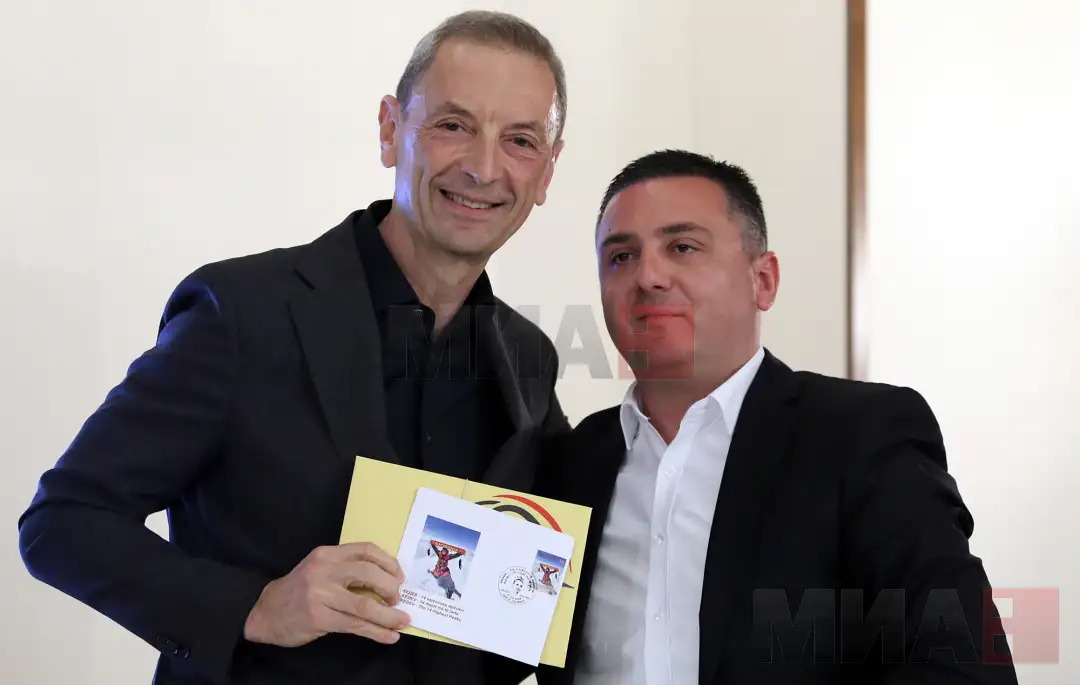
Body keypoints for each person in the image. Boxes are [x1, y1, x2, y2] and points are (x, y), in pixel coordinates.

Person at [17, 10, 569, 685]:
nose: (483, 168)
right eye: (453, 125)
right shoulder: (241, 313)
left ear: (547, 172)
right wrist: (255, 606)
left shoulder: (530, 358)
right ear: (390, 129)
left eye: (520, 140)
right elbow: (62, 522)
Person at [534, 150, 1019, 685]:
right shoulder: (569, 463)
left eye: (682, 247)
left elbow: (964, 667)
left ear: (763, 280)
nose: (648, 276)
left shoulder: (860, 435)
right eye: (621, 256)